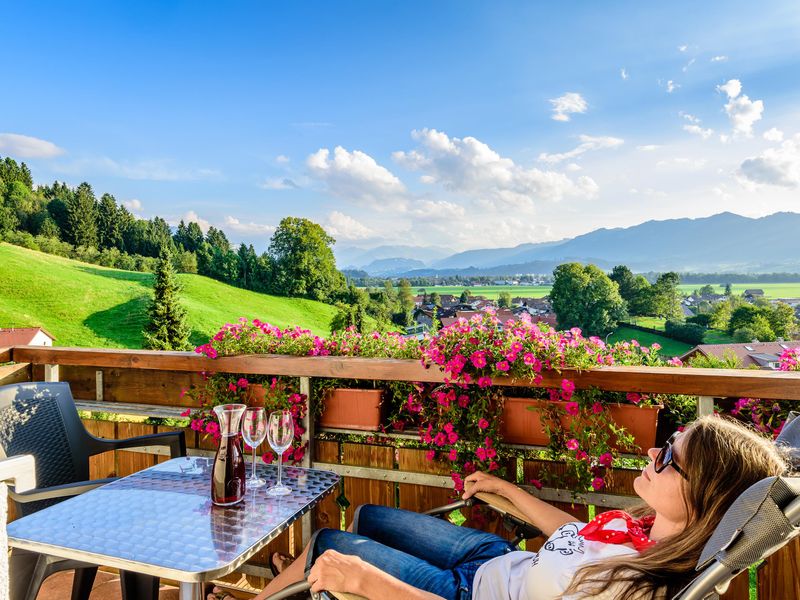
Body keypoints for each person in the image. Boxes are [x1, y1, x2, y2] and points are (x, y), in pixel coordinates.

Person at [208, 416, 789, 600]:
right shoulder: (653, 536)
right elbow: (578, 536)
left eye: (667, 457)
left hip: (470, 592)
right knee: (368, 518)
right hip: (499, 558)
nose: (650, 453)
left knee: (328, 547)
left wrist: (366, 581)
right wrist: (508, 493)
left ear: (703, 495)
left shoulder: (629, 589)